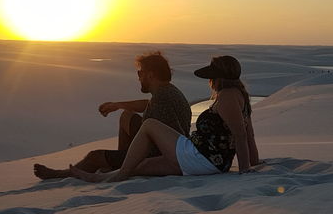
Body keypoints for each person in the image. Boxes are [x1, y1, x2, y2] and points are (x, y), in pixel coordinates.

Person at [69, 55, 260, 183]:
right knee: (141, 166)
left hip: (199, 157)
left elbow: (240, 135)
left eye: (211, 76)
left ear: (218, 77)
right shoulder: (239, 95)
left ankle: (118, 175)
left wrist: (244, 170)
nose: (209, 80)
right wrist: (255, 162)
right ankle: (104, 177)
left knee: (150, 125)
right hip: (202, 162)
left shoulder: (227, 96)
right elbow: (249, 134)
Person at [34, 51, 192, 179]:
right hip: (161, 147)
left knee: (94, 157)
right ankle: (119, 160)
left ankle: (63, 174)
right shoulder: (167, 92)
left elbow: (171, 137)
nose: (138, 77)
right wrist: (118, 105)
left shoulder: (163, 98)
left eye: (140, 73)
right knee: (127, 116)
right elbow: (147, 104)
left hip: (156, 155)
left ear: (150, 75)